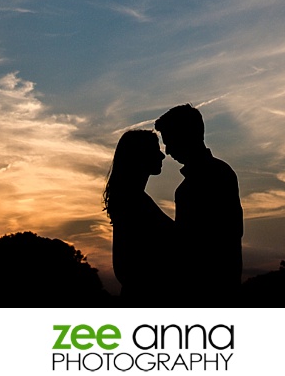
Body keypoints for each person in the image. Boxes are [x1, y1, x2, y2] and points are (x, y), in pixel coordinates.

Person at [155, 104, 243, 303]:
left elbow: (192, 245)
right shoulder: (220, 173)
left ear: (186, 136)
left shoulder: (209, 179)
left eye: (169, 142)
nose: (167, 152)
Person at [103, 129, 176, 303]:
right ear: (140, 156)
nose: (162, 156)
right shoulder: (134, 201)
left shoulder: (131, 199)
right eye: (155, 151)